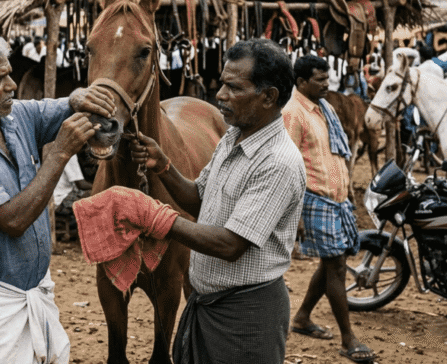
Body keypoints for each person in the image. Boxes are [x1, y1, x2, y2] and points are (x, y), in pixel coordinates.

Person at [81, 38, 306, 363]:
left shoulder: (277, 163)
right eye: (222, 83)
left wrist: (155, 218)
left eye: (233, 88)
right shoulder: (234, 135)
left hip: (245, 315)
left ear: (268, 97)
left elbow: (231, 245)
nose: (219, 95)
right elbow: (201, 199)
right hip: (204, 304)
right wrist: (165, 168)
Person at [0, 28, 115, 363]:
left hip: (35, 288)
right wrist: (58, 155)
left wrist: (77, 99)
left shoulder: (12, 117)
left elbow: (52, 107)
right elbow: (13, 221)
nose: (12, 86)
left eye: (9, 75)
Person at [283, 55, 376, 363]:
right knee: (335, 265)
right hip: (314, 199)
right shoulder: (293, 113)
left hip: (336, 199)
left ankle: (303, 317)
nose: (326, 84)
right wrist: (294, 214)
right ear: (300, 83)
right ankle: (348, 338)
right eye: (319, 80)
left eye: (327, 79)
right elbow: (287, 165)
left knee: (330, 264)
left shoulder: (325, 108)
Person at [53, 154, 92, 241]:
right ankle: (88, 236)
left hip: (55, 198)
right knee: (94, 196)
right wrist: (99, 185)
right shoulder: (70, 156)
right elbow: (80, 184)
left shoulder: (57, 151)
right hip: (61, 199)